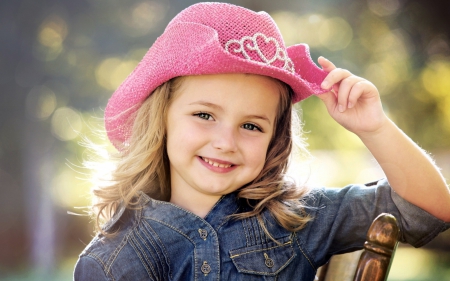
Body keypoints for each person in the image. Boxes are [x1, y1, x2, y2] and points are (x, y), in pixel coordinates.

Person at [74, 2, 450, 280]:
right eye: (204, 115)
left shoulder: (296, 219)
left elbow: (429, 211)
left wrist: (375, 128)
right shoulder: (113, 260)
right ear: (162, 120)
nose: (225, 142)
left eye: (251, 126)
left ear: (275, 139)